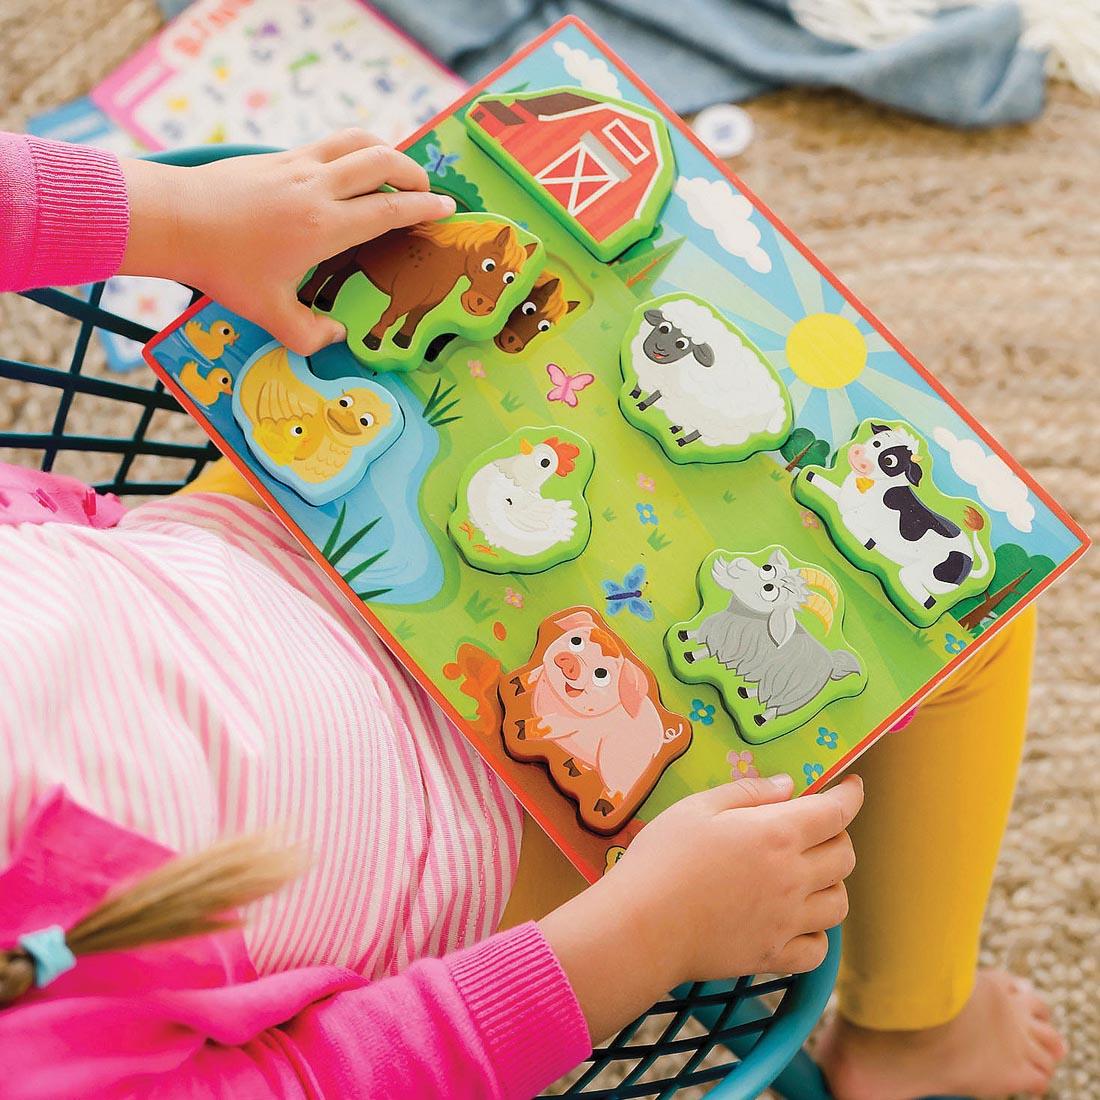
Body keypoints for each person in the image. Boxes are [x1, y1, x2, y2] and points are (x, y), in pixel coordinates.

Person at [0, 129, 1065, 1099]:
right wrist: (642, 935)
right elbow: (323, 1079)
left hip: (259, 531)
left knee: (550, 274)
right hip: (467, 831)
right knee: (965, 622)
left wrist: (184, 218)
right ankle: (912, 1039)